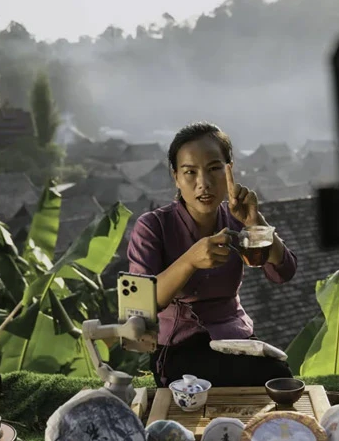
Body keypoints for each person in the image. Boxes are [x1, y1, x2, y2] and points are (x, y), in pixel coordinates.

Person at [126, 121, 298, 388]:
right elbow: (139, 305)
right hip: (179, 347)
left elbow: (283, 271)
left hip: (236, 339)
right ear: (176, 177)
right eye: (190, 172)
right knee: (249, 378)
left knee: (279, 376)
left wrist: (256, 223)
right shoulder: (152, 227)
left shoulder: (236, 218)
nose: (203, 183)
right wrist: (190, 261)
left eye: (214, 169)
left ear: (230, 170)